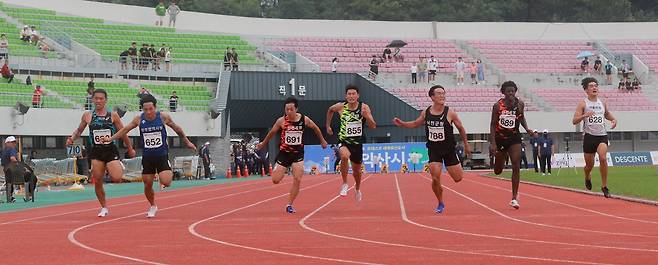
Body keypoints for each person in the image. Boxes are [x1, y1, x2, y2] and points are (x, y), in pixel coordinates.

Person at [105, 94, 196, 218]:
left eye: (150, 109)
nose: (148, 112)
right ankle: (153, 205)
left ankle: (165, 171)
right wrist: (110, 138)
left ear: (155, 107)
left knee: (167, 182)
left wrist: (187, 142)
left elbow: (177, 129)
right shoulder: (138, 119)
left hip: (162, 155)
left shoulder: (163, 117)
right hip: (147, 157)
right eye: (145, 109)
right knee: (147, 183)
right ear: (142, 108)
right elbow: (125, 130)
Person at [393, 85, 471, 213]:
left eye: (443, 93)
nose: (442, 96)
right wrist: (402, 123)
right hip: (434, 149)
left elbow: (461, 128)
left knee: (458, 178)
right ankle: (440, 202)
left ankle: (443, 184)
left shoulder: (450, 112)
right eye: (439, 93)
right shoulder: (426, 112)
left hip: (449, 149)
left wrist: (466, 144)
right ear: (432, 97)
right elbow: (415, 123)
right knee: (435, 177)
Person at [67, 89, 136, 217]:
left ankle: (118, 164)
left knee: (116, 178)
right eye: (96, 98)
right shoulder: (87, 116)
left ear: (105, 100)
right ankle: (104, 207)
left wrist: (130, 148)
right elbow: (79, 130)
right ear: (92, 100)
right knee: (97, 180)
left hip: (110, 150)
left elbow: (123, 132)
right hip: (96, 151)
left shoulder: (113, 115)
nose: (98, 101)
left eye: (101, 98)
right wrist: (71, 138)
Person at [256, 97, 328, 213]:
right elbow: (272, 133)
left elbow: (316, 128)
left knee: (297, 178)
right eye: (286, 109)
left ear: (296, 109)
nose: (289, 112)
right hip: (284, 154)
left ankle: (289, 204)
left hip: (297, 154)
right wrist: (263, 143)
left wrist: (322, 140)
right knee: (275, 180)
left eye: (291, 109)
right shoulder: (281, 121)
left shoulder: (304, 120)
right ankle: (283, 169)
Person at [326, 85, 377, 201]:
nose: (351, 96)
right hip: (343, 140)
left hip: (357, 143)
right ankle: (344, 183)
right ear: (346, 96)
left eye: (354, 94)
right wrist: (328, 126)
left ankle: (357, 189)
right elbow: (330, 110)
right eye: (349, 94)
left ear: (358, 95)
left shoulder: (364, 107)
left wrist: (367, 117)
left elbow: (373, 126)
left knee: (357, 171)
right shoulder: (340, 107)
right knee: (344, 156)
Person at [489, 81, 533, 209]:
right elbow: (492, 124)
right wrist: (493, 143)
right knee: (498, 171)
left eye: (513, 91)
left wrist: (527, 128)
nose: (511, 94)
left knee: (516, 165)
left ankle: (514, 198)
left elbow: (521, 117)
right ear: (503, 92)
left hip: (514, 138)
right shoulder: (497, 106)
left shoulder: (520, 104)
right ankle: (499, 160)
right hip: (500, 138)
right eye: (508, 91)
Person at [572, 77, 616, 198]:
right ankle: (587, 176)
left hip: (602, 136)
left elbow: (606, 114)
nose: (594, 87)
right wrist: (585, 115)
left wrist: (613, 119)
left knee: (603, 158)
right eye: (591, 86)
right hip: (589, 137)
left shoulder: (602, 103)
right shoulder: (583, 103)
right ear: (586, 89)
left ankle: (604, 186)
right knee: (589, 166)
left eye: (596, 85)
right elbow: (574, 121)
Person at [2, 136, 19, 203]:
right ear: (7, 143)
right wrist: (18, 164)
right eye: (12, 142)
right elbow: (12, 158)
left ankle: (10, 197)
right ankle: (29, 195)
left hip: (6, 169)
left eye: (15, 142)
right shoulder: (12, 149)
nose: (14, 144)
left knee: (9, 182)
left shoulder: (4, 151)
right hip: (11, 168)